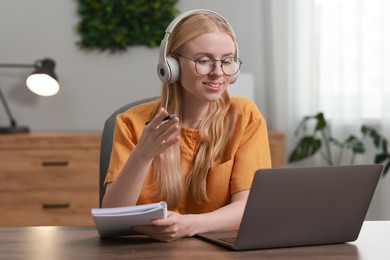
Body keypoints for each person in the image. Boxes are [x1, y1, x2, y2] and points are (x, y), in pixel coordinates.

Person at [102, 9, 272, 242]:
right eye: (203, 61)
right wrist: (142, 155)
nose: (217, 73)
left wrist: (188, 225)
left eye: (227, 61)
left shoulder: (245, 117)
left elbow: (249, 208)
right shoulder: (131, 122)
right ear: (171, 65)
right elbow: (112, 217)